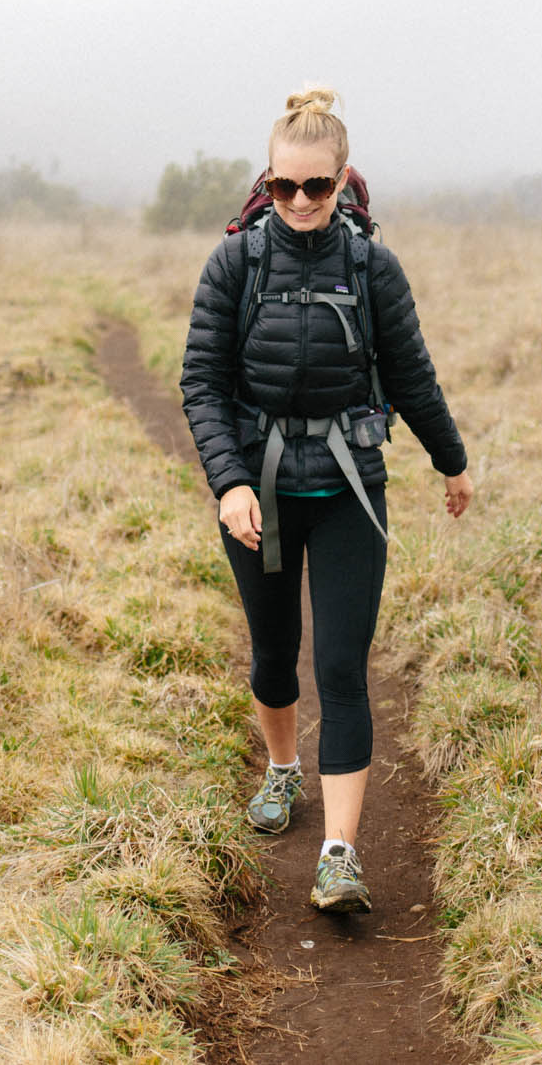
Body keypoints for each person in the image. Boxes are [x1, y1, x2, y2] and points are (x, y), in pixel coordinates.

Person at [179, 87, 473, 914]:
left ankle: (340, 855)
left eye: (317, 186)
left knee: (342, 668)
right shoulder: (235, 263)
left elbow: (412, 375)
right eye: (285, 187)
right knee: (275, 656)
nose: (301, 202)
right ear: (265, 184)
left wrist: (452, 462)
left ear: (344, 182)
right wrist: (230, 480)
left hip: (350, 488)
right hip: (261, 492)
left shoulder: (372, 267)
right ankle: (281, 770)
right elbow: (201, 381)